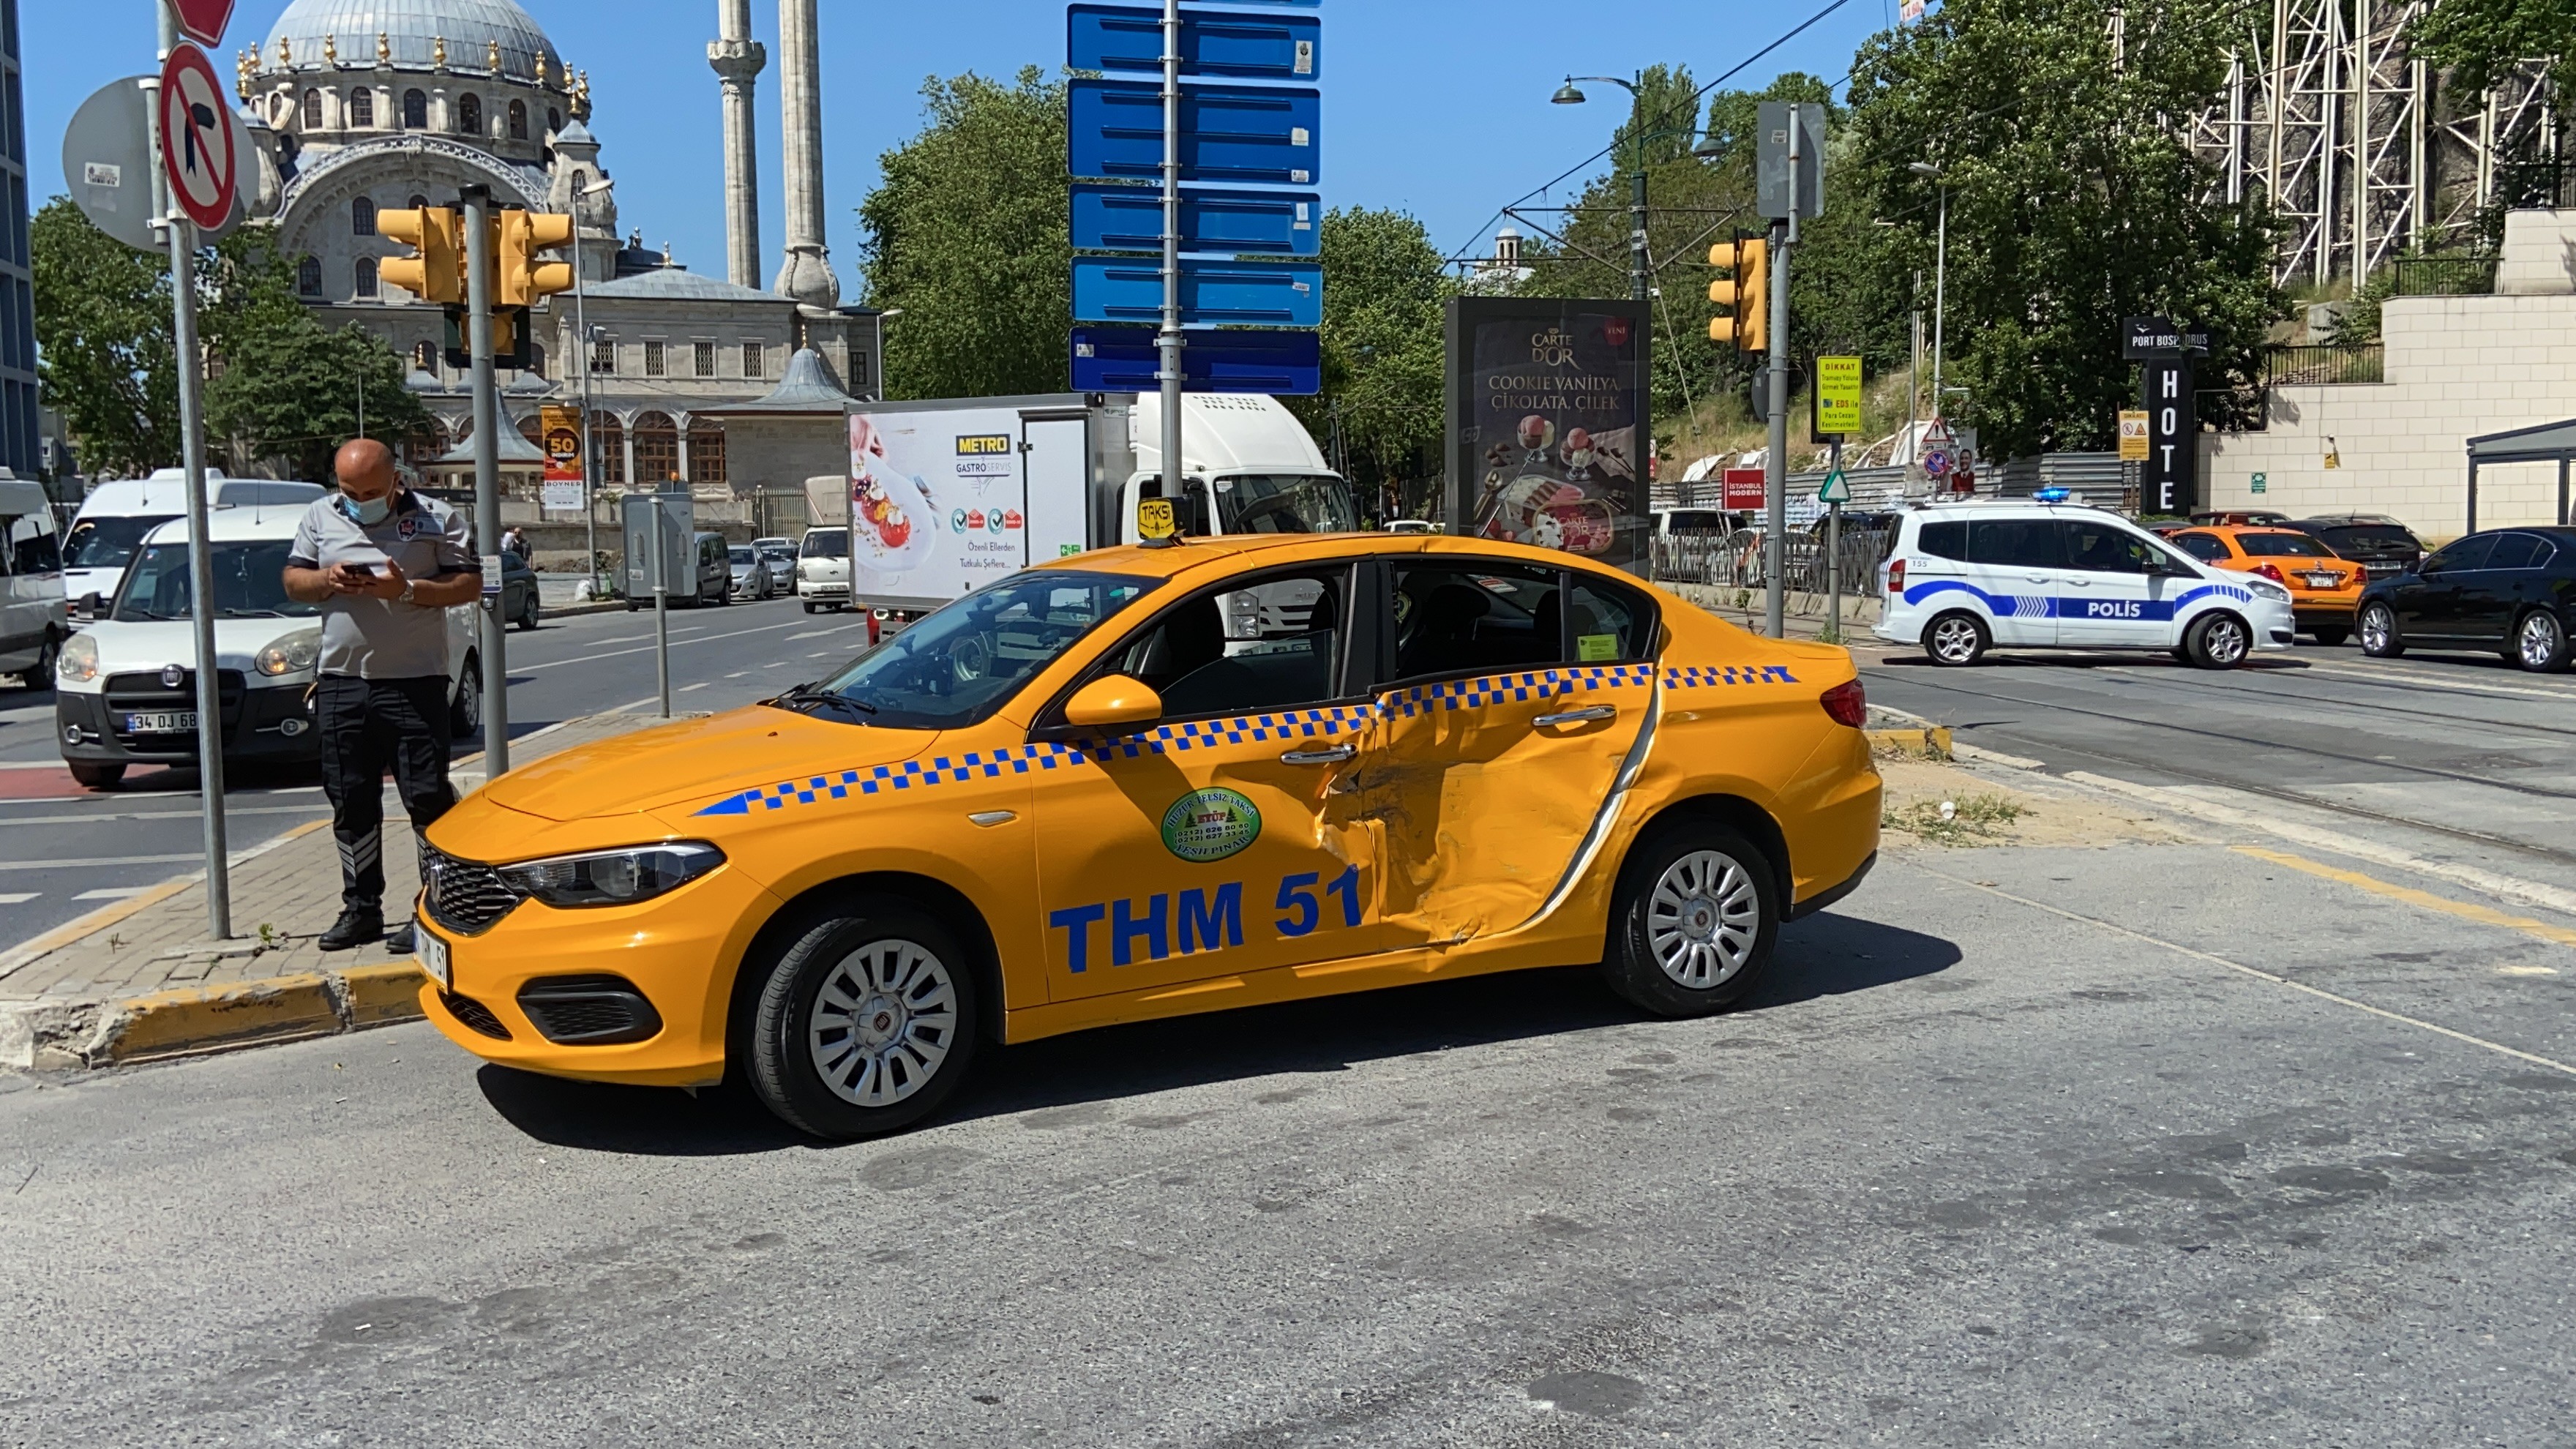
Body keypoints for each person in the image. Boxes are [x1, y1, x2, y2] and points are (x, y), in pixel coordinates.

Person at [281, 441, 482, 952]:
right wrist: (326, 579)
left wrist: (407, 590)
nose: (359, 502)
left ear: (397, 480)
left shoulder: (436, 518)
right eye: (349, 492)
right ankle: (361, 909)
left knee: (426, 797)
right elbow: (293, 581)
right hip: (342, 681)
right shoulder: (320, 516)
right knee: (350, 799)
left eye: (371, 492)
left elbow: (469, 584)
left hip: (414, 681)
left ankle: (434, 908)